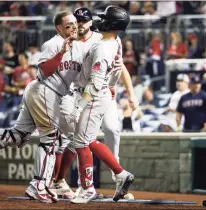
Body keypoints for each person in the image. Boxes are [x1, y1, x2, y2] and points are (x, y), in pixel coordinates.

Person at [0, 11, 81, 204]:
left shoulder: (78, 47)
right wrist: (62, 52)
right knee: (51, 137)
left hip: (47, 93)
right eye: (68, 25)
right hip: (44, 90)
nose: (73, 27)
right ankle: (38, 184)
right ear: (59, 28)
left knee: (17, 135)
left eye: (74, 24)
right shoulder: (54, 43)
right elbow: (45, 70)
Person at [65, 5, 138, 204]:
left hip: (94, 97)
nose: (101, 20)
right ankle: (120, 174)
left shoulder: (104, 46)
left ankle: (88, 188)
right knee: (86, 140)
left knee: (81, 141)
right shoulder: (110, 41)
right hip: (99, 94)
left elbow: (95, 83)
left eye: (105, 18)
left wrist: (79, 106)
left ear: (112, 23)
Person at [51, 7, 125, 197]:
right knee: (80, 139)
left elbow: (104, 77)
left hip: (94, 93)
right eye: (78, 21)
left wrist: (80, 107)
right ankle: (71, 182)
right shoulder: (103, 40)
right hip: (81, 91)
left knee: (99, 134)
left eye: (84, 20)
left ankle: (97, 183)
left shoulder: (104, 43)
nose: (81, 24)